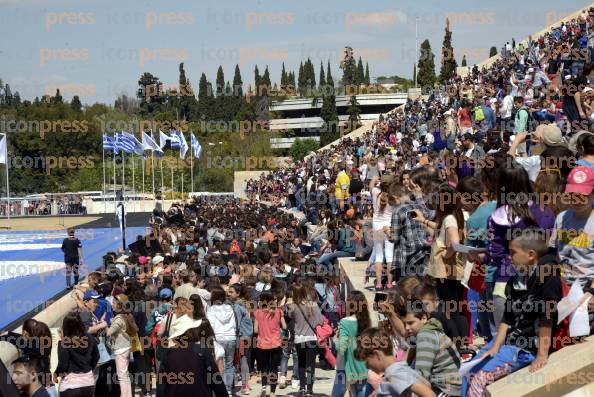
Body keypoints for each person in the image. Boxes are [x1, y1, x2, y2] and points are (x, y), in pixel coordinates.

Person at [462, 228, 564, 396]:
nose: (509, 257)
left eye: (513, 253)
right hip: (509, 342)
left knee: (479, 378)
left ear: (531, 254)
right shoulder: (516, 278)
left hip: (525, 349)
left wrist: (542, 354)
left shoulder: (548, 276)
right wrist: (494, 347)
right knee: (467, 371)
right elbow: (507, 317)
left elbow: (547, 316)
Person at [400, 299, 462, 396]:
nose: (407, 328)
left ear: (424, 318)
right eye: (404, 324)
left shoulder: (425, 336)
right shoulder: (431, 330)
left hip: (446, 390)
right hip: (450, 387)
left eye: (411, 323)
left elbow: (421, 377)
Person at [354, 327, 436, 397]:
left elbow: (430, 395)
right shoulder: (399, 367)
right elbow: (426, 384)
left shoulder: (395, 372)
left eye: (367, 362)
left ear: (377, 354)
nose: (367, 367)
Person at [288, 284, 324, 397]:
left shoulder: (293, 306)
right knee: (311, 365)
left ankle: (302, 387)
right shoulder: (314, 305)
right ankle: (310, 389)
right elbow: (321, 321)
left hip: (299, 339)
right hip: (311, 338)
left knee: (301, 364)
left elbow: (289, 316)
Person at [333, 290, 370, 397]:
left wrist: (335, 339)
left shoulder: (345, 321)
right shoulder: (366, 322)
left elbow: (342, 347)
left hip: (345, 367)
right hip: (361, 367)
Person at [54, 313, 99, 397]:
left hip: (71, 387)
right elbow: (96, 357)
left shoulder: (64, 343)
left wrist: (56, 375)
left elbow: (63, 364)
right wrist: (89, 369)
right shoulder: (90, 338)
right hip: (88, 384)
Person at [253, 291, 286, 397]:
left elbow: (255, 331)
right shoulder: (278, 311)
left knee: (264, 368)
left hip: (262, 344)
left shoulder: (257, 312)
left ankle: (263, 387)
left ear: (263, 301)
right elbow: (284, 326)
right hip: (276, 343)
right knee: (274, 368)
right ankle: (272, 392)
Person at [206, 286, 237, 395]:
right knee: (229, 364)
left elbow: (211, 326)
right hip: (231, 337)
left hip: (218, 338)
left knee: (219, 364)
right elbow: (234, 325)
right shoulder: (230, 308)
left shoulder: (211, 310)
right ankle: (228, 389)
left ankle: (221, 389)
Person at [107, 294, 137, 397]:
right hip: (126, 347)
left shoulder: (119, 318)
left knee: (122, 376)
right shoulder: (126, 315)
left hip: (120, 349)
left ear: (120, 306)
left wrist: (103, 324)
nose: (113, 304)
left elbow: (109, 332)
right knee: (125, 375)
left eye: (114, 303)